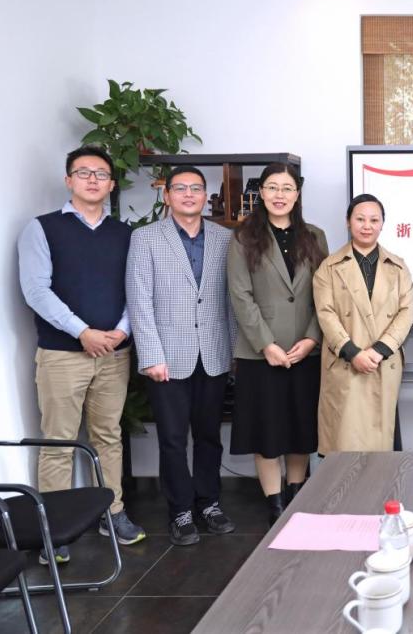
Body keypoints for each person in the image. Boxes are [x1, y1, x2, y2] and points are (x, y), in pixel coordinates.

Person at [17, 146, 146, 563]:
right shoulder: (42, 228)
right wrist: (83, 332)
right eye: (84, 172)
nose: (93, 180)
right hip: (62, 355)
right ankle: (53, 530)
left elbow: (135, 290)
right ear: (68, 179)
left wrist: (121, 331)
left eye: (101, 174)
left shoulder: (124, 234)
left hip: (114, 353)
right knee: (58, 442)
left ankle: (113, 512)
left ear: (111, 185)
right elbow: (36, 291)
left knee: (108, 436)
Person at [126, 165, 236, 546]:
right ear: (167, 195)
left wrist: (235, 350)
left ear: (206, 195)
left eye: (196, 188)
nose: (189, 194)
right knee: (173, 439)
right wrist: (150, 354)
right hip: (167, 357)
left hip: (214, 352)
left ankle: (209, 503)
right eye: (181, 188)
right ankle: (180, 511)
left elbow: (231, 300)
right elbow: (139, 300)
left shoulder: (225, 238)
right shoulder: (145, 238)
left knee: (209, 436)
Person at [227, 163, 327, 522]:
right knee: (266, 432)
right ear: (261, 192)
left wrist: (312, 339)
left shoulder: (314, 236)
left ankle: (296, 496)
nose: (279, 195)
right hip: (260, 355)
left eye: (287, 188)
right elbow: (240, 296)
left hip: (305, 352)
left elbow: (325, 294)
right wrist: (266, 345)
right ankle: (275, 505)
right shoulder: (243, 237)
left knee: (300, 430)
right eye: (272, 187)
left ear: (297, 194)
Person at [313, 194, 413, 453]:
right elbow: (325, 313)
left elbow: (405, 313)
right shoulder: (329, 267)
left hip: (383, 362)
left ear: (382, 224)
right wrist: (353, 353)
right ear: (348, 222)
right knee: (345, 445)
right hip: (346, 362)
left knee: (382, 448)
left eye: (374, 220)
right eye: (360, 219)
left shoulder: (398, 267)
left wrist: (379, 350)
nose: (367, 226)